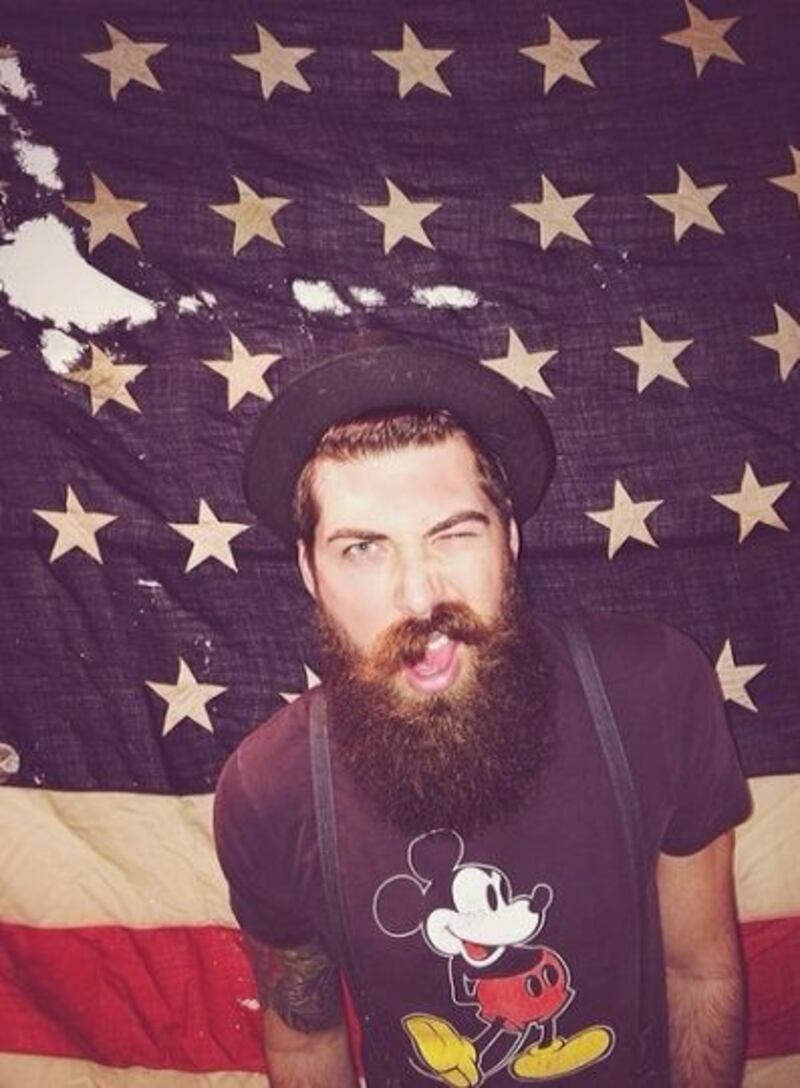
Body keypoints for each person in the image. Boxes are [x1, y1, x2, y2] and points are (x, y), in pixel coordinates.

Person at [214, 339, 751, 1088]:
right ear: (310, 571)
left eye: (454, 534)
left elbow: (699, 972)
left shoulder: (656, 690)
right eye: (363, 548)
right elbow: (305, 1044)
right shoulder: (267, 790)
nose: (418, 596)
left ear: (510, 540)